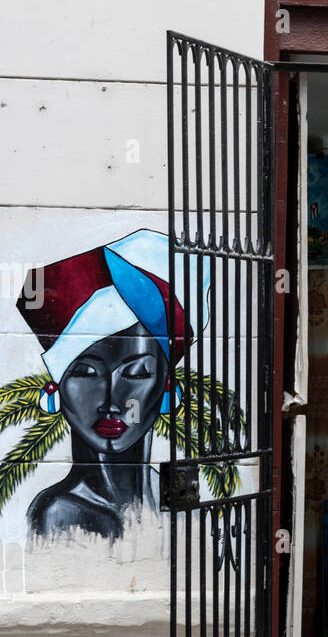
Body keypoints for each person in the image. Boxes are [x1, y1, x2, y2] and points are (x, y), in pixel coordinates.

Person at [5, 228, 208, 540]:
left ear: (167, 387)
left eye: (136, 373)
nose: (111, 399)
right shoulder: (58, 515)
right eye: (86, 374)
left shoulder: (173, 499)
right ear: (56, 388)